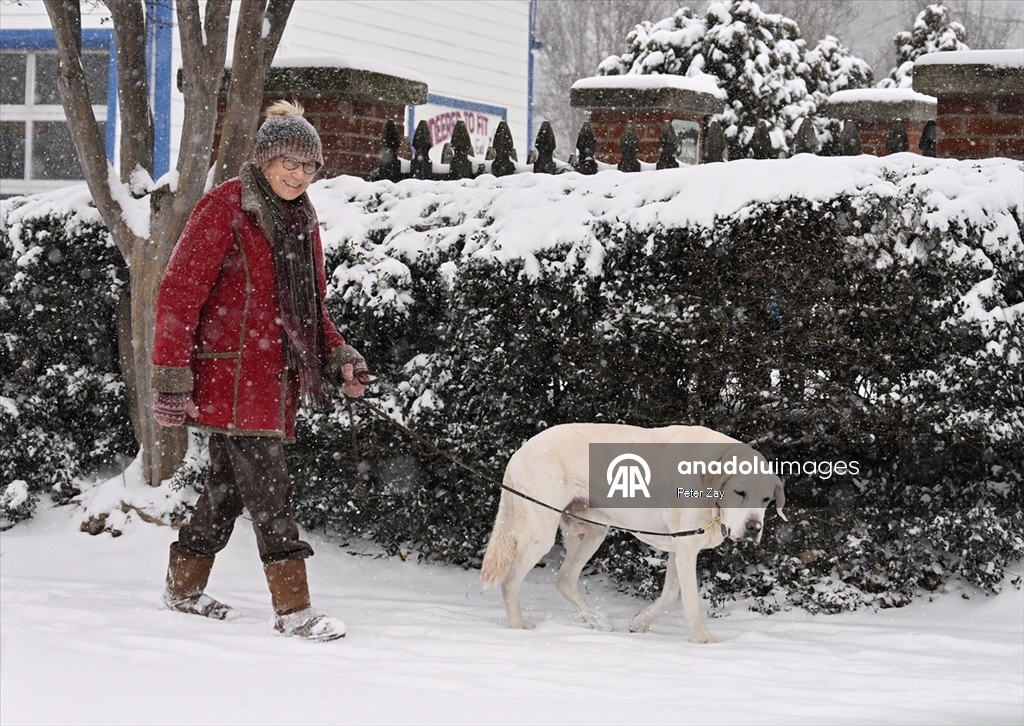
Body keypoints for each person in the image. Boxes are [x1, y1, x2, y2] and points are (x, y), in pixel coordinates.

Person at [151, 100, 368, 642]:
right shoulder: (225, 207)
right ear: (265, 159)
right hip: (230, 379)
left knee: (225, 490)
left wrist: (341, 357)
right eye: (288, 163)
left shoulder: (302, 219)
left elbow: (309, 311)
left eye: (309, 166)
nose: (298, 175)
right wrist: (172, 379)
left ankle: (182, 590)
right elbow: (178, 296)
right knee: (271, 492)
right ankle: (294, 611)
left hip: (272, 381)